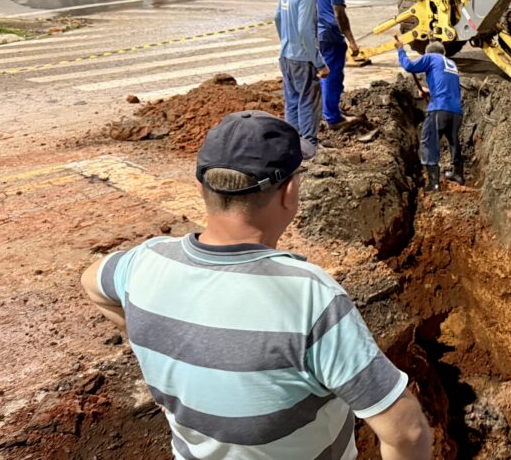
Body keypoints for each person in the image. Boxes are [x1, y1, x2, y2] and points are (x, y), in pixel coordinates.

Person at [79, 111, 433, 460]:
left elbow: (91, 283)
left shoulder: (143, 262)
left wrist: (151, 340)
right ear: (290, 192)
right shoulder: (310, 298)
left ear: (201, 188)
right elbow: (407, 431)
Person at [275, 0, 330, 157]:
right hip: (302, 58)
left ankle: (292, 146)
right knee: (308, 101)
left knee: (292, 101)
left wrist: (286, 42)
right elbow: (305, 30)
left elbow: (277, 17)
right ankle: (308, 148)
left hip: (286, 55)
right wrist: (319, 63)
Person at [393, 36, 464, 190]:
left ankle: (434, 183)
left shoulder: (431, 57)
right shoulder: (451, 64)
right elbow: (448, 87)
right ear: (444, 52)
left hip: (438, 109)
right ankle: (458, 174)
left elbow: (409, 66)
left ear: (428, 53)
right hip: (456, 111)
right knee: (453, 141)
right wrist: (430, 91)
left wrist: (400, 50)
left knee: (429, 142)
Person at [315, 0, 363, 130]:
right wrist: (352, 41)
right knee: (332, 76)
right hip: (331, 36)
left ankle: (327, 110)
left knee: (322, 74)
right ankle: (333, 118)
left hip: (317, 34)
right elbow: (339, 15)